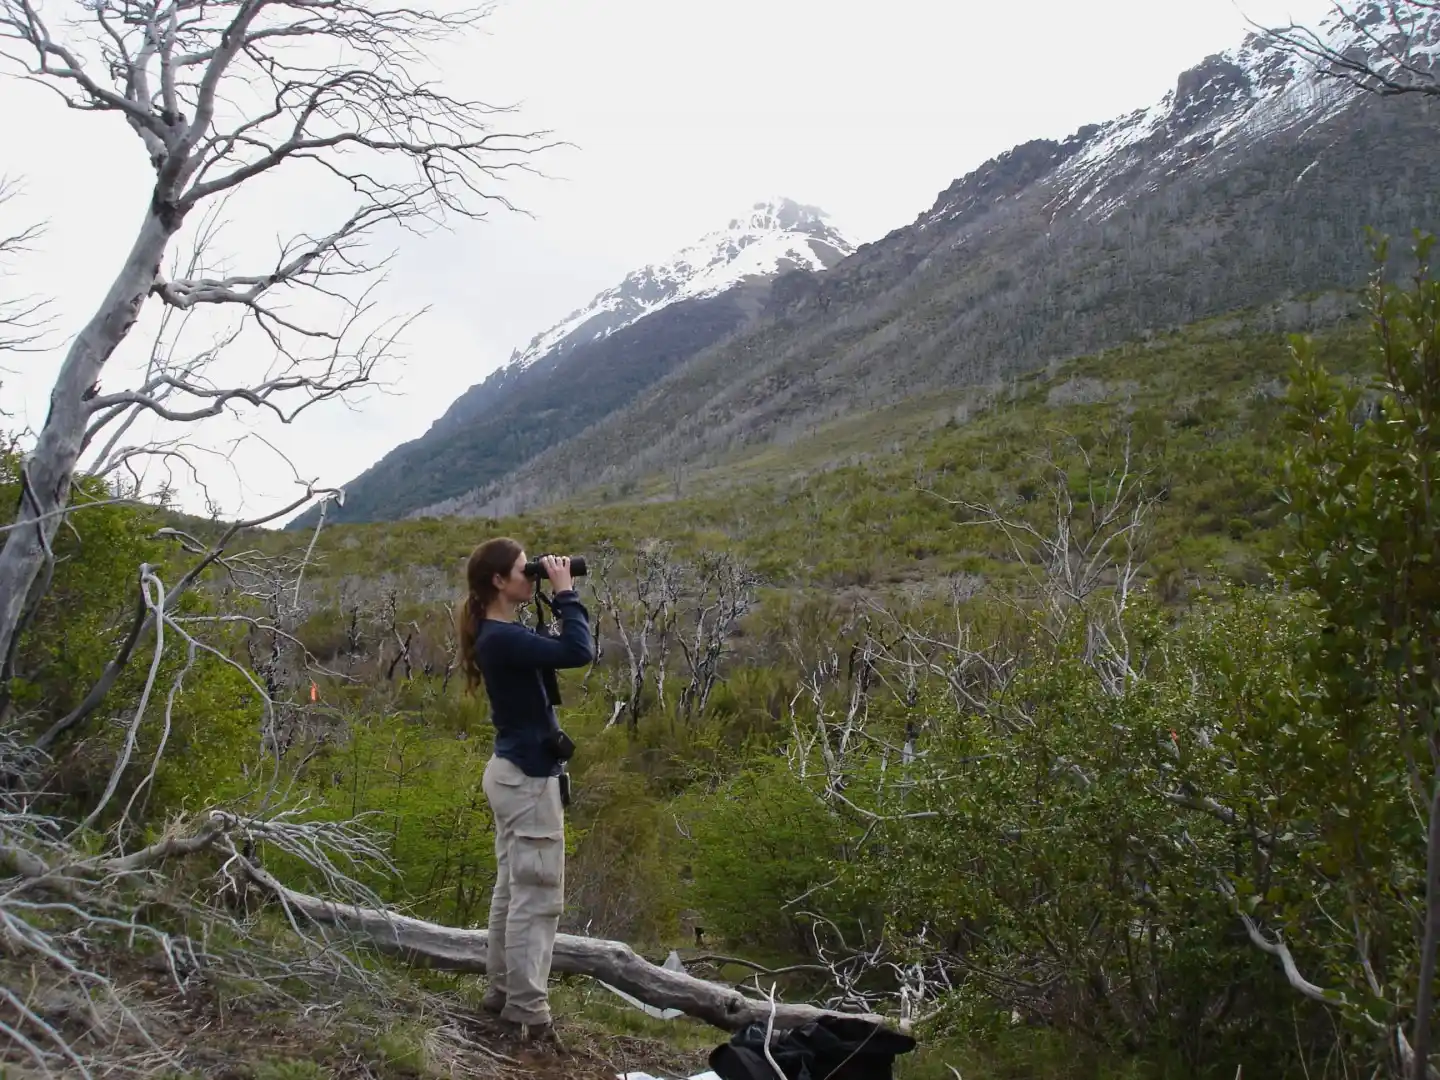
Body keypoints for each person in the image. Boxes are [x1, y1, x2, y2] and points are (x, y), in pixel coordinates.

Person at [454, 538, 594, 1042]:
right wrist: (566, 593)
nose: (530, 576)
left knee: (513, 888)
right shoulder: (501, 638)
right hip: (528, 779)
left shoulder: (499, 633)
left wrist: (552, 593)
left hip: (513, 772)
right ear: (498, 581)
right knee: (537, 897)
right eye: (523, 570)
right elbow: (578, 651)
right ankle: (528, 1015)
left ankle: (502, 993)